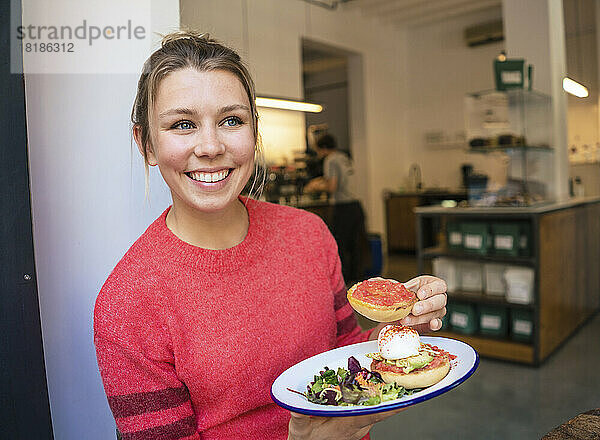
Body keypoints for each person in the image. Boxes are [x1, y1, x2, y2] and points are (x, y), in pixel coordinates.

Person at [94, 31, 448, 440]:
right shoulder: (127, 303)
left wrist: (402, 337)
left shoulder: (309, 234)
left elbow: (346, 348)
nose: (210, 146)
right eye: (182, 124)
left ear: (254, 132)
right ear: (147, 146)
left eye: (231, 121)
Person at [304, 132, 354, 203]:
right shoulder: (343, 156)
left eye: (318, 150)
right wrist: (318, 181)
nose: (317, 153)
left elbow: (331, 187)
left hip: (343, 203)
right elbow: (336, 178)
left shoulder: (330, 160)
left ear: (324, 148)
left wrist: (314, 187)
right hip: (354, 200)